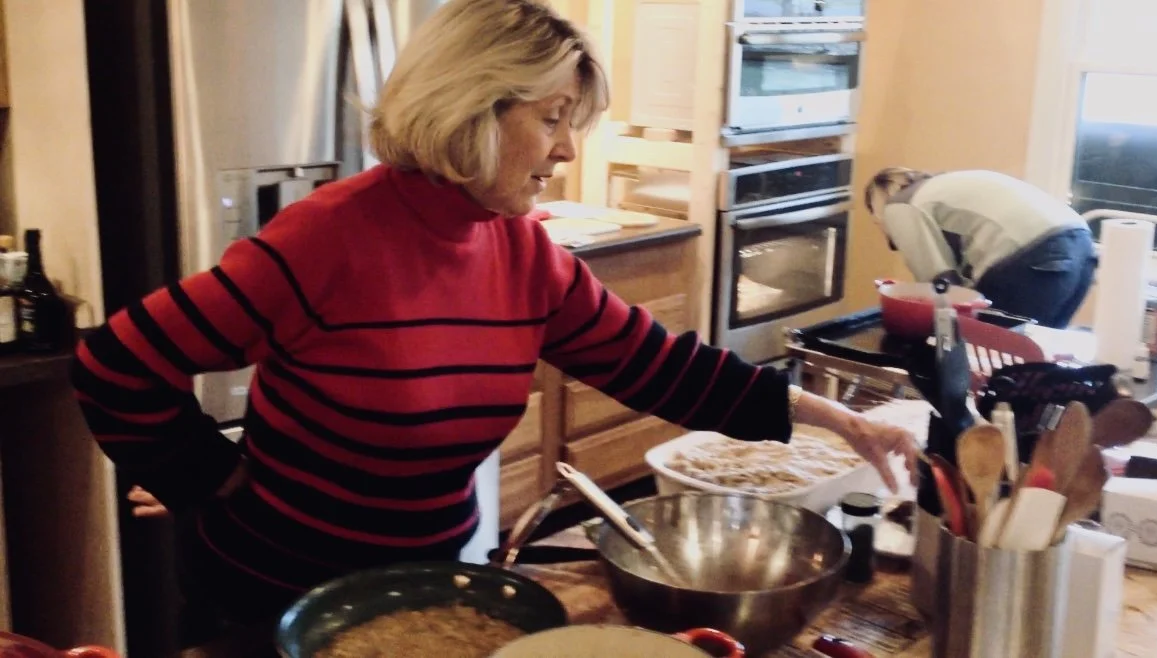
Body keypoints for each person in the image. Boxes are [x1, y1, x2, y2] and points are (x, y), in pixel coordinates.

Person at [72, 0, 916, 645]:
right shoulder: (327, 238)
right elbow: (117, 363)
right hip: (274, 603)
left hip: (435, 592)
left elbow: (662, 366)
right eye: (551, 119)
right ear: (474, 110)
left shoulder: (520, 252)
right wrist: (197, 474)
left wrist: (842, 425)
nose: (565, 150)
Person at [864, 167, 1098, 328]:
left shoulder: (899, 206)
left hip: (1032, 258)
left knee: (988, 359)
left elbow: (943, 288)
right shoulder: (946, 187)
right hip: (1082, 250)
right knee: (1036, 365)